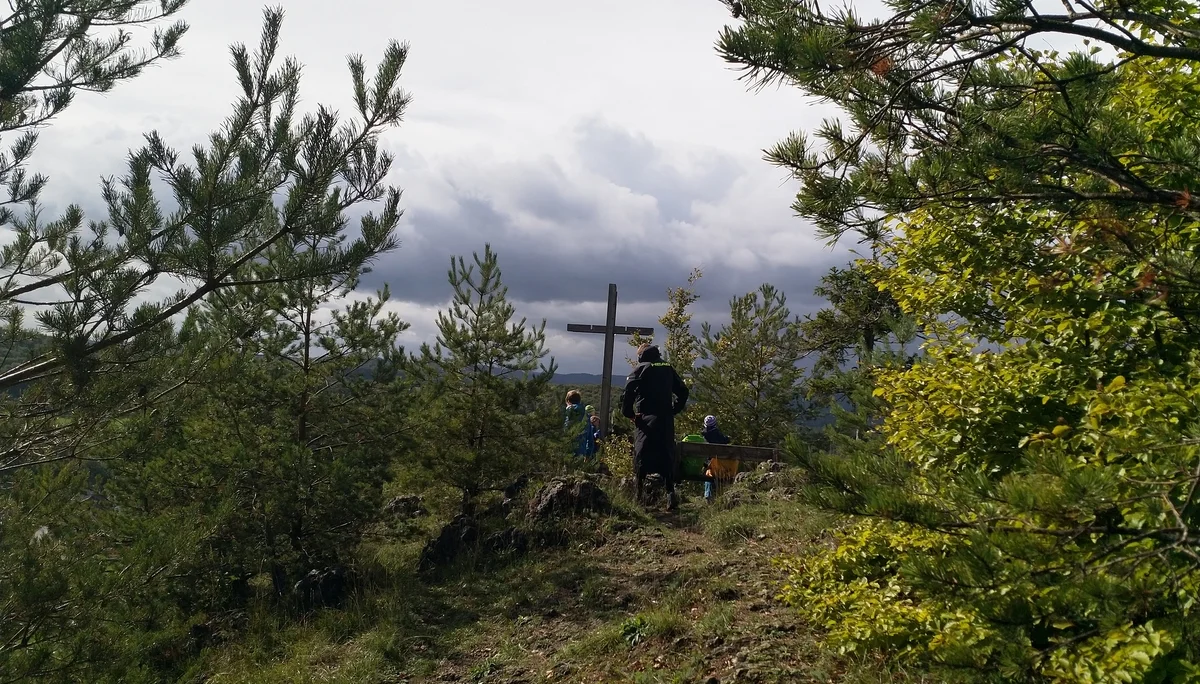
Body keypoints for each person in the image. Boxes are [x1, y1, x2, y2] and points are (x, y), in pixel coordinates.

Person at [621, 343, 689, 511]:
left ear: (641, 355)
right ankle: (670, 494)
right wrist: (674, 409)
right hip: (665, 418)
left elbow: (628, 391)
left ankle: (638, 496)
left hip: (644, 418)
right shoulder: (667, 367)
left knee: (642, 453)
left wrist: (628, 413)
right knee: (665, 453)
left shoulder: (641, 368)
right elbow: (683, 391)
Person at [701, 415, 731, 502]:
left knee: (708, 472)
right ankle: (713, 495)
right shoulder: (718, 435)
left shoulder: (703, 436)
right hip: (719, 462)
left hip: (707, 461)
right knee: (711, 471)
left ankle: (708, 494)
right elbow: (726, 440)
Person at [564, 390, 595, 458]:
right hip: (581, 453)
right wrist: (588, 455)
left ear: (568, 401)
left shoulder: (565, 414)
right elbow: (590, 439)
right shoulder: (585, 416)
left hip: (566, 452)